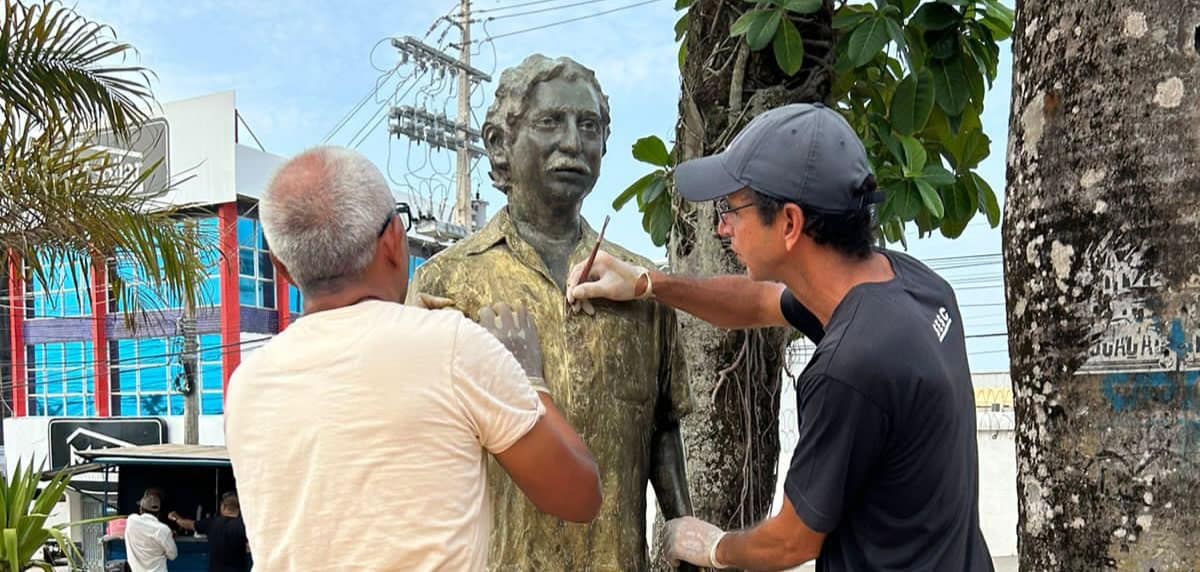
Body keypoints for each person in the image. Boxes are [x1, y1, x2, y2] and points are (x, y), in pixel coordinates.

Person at [566, 103, 993, 571]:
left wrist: (711, 546)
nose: (722, 226)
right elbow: (758, 302)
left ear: (789, 223)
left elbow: (792, 541)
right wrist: (648, 283)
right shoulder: (914, 285)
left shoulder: (850, 368)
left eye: (733, 208)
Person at [225, 146, 601, 571]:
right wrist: (529, 378)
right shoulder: (454, 348)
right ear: (393, 240)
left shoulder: (247, 383)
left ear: (281, 266)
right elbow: (579, 495)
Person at [407, 54, 695, 571]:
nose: (573, 142)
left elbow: (663, 427)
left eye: (589, 126)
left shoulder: (638, 283)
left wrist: (684, 533)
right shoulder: (446, 284)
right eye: (549, 122)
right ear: (499, 144)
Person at [169, 492, 249, 572]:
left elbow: (189, 525)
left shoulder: (212, 523)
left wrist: (176, 518)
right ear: (239, 508)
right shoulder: (244, 525)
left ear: (223, 507)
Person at [123, 491, 177, 572]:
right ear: (158, 513)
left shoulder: (131, 520)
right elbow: (173, 555)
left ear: (141, 509)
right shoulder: (163, 530)